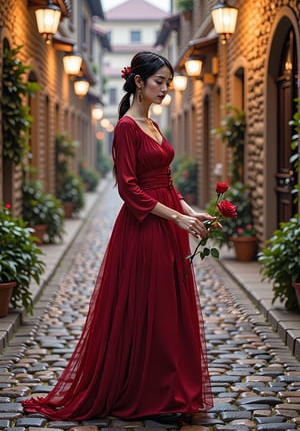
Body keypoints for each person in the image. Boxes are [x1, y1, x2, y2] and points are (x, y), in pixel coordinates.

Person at [22, 51, 214, 422]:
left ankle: (173, 390)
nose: (164, 89)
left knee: (170, 309)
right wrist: (176, 217)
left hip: (168, 223)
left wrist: (191, 211)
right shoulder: (126, 127)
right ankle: (150, 395)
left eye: (168, 83)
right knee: (151, 309)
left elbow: (165, 181)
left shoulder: (154, 125)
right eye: (159, 82)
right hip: (143, 229)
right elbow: (129, 189)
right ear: (139, 82)